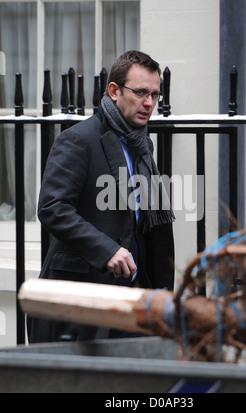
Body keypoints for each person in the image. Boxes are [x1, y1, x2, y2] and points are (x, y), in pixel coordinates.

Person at [27, 50, 175, 343]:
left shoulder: (142, 146)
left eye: (155, 94)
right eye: (141, 92)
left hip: (134, 295)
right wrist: (105, 249)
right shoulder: (79, 139)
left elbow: (147, 225)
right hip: (81, 298)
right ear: (114, 91)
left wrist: (162, 292)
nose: (149, 103)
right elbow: (52, 207)